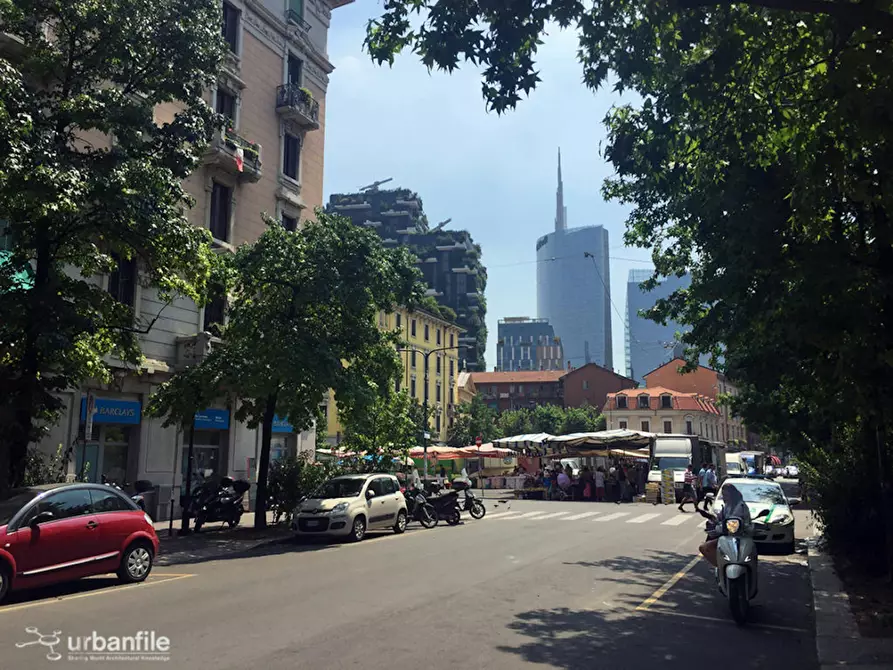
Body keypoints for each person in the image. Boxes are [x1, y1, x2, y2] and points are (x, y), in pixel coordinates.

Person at [699, 483, 750, 567]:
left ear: (732, 495)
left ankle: (721, 567)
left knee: (704, 547)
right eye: (723, 495)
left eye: (726, 495)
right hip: (728, 536)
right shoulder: (728, 506)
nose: (724, 497)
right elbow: (720, 518)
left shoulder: (740, 507)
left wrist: (718, 527)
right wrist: (710, 517)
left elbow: (732, 524)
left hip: (737, 537)